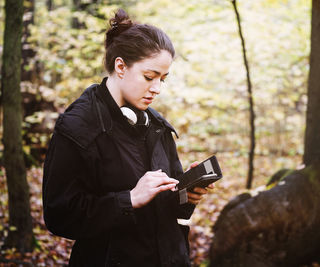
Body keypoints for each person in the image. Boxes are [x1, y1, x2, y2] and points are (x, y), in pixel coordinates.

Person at [42, 9, 213, 266]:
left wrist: (185, 196)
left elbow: (168, 208)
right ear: (120, 66)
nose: (156, 88)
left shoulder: (157, 125)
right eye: (149, 77)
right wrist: (129, 199)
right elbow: (59, 216)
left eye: (162, 79)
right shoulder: (77, 127)